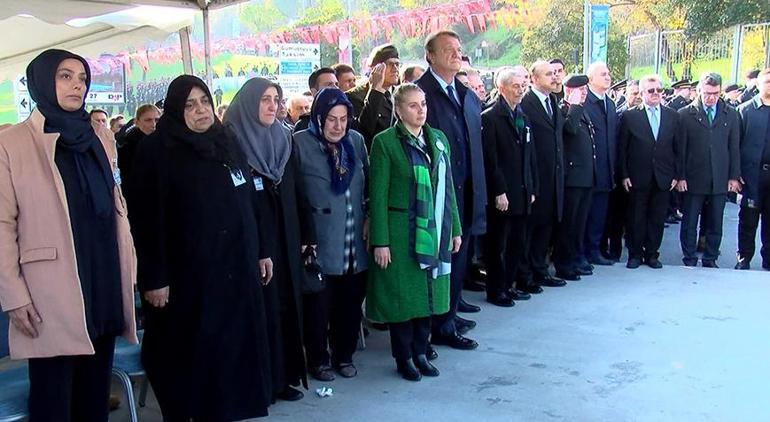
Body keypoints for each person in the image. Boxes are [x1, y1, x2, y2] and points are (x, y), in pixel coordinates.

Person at [0, 48, 137, 422]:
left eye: (82, 78)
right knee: (54, 399)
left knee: (94, 395)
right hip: (49, 291)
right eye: (65, 76)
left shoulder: (99, 137)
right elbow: (3, 226)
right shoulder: (13, 143)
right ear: (43, 82)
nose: (77, 85)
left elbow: (115, 204)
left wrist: (128, 263)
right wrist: (13, 295)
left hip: (102, 278)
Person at [131, 75, 272, 420]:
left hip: (234, 270)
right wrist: (155, 277)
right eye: (190, 105)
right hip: (187, 280)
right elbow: (146, 220)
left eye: (205, 101)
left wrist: (261, 250)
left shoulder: (226, 141)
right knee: (191, 360)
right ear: (175, 110)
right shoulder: (157, 151)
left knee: (231, 358)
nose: (200, 111)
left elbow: (249, 200)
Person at [224, 77, 311, 402]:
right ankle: (261, 383)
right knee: (261, 311)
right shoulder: (230, 142)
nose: (273, 106)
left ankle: (284, 378)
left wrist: (307, 234)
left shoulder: (283, 138)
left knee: (285, 307)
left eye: (276, 99)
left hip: (285, 238)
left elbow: (298, 187)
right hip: (253, 243)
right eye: (265, 99)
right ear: (249, 103)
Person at [367, 83, 462, 381]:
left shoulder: (438, 139)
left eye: (423, 104)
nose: (421, 110)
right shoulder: (385, 143)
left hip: (434, 231)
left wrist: (455, 229)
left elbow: (448, 189)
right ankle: (404, 358)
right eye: (413, 105)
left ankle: (421, 352)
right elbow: (378, 196)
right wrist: (380, 241)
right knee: (402, 300)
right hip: (400, 233)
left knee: (427, 297)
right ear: (398, 110)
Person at [416, 30, 486, 350]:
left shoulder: (467, 95)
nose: (457, 54)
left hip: (467, 192)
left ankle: (450, 314)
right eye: (448, 50)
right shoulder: (420, 94)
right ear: (430, 56)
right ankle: (437, 325)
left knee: (459, 260)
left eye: (459, 49)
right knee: (438, 263)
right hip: (436, 196)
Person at [294, 88, 369, 381]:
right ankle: (318, 360)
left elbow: (368, 183)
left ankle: (344, 356)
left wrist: (369, 216)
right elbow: (294, 193)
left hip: (354, 242)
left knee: (350, 305)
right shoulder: (300, 143)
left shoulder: (356, 141)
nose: (338, 126)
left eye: (343, 119)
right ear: (318, 117)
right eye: (331, 119)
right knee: (318, 307)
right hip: (320, 242)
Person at [481, 67, 538, 307]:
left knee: (517, 242)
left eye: (522, 86)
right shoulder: (491, 117)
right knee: (499, 244)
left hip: (522, 190)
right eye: (515, 86)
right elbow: (491, 159)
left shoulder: (523, 116)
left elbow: (530, 155)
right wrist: (499, 191)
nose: (520, 90)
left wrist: (532, 187)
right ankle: (497, 290)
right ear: (501, 88)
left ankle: (509, 285)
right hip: (504, 192)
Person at [677, 73, 741, 267]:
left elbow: (734, 147)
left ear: (720, 92)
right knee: (689, 222)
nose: (711, 98)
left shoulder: (731, 114)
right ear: (699, 91)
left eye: (715, 93)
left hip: (719, 177)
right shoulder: (685, 114)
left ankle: (710, 257)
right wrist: (680, 176)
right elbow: (680, 149)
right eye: (706, 93)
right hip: (693, 177)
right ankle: (689, 257)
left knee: (715, 221)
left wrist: (733, 177)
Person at [618, 75, 680, 269]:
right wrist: (624, 174)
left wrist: (676, 175)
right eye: (651, 91)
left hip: (663, 177)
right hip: (637, 176)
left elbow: (678, 148)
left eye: (659, 90)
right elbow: (622, 148)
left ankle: (652, 254)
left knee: (657, 218)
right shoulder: (630, 116)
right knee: (636, 218)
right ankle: (635, 254)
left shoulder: (672, 116)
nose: (655, 94)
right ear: (642, 93)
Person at [520, 60, 567, 289]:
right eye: (549, 74)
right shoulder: (526, 103)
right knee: (530, 230)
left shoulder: (552, 101)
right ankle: (525, 276)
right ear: (534, 78)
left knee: (546, 227)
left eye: (555, 73)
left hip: (554, 177)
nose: (555, 77)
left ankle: (540, 271)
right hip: (536, 178)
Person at [553, 74, 595, 281]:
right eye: (580, 90)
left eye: (585, 90)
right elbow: (570, 129)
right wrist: (575, 105)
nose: (584, 94)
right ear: (569, 91)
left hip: (585, 177)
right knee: (568, 225)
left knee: (579, 224)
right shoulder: (563, 109)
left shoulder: (581, 110)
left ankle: (575, 259)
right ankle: (564, 264)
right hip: (572, 178)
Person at [582, 62, 617, 268]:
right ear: (591, 79)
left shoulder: (610, 104)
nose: (608, 77)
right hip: (588, 171)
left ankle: (594, 250)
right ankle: (582, 252)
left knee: (599, 215)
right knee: (585, 216)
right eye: (603, 74)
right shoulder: (585, 102)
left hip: (606, 171)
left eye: (608, 73)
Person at [735, 68, 770, 270]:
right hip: (751, 176)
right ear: (758, 84)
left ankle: (768, 259)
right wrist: (736, 173)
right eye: (767, 82)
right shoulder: (745, 110)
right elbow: (735, 145)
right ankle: (744, 257)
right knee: (748, 220)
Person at [347, 44, 400, 149]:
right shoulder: (354, 96)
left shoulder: (401, 94)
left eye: (397, 64)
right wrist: (375, 91)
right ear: (375, 68)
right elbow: (364, 130)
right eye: (389, 64)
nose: (395, 69)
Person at [117, 103, 160, 204]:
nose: (153, 124)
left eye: (157, 120)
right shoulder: (127, 146)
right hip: (137, 201)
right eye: (148, 120)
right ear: (137, 122)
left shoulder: (164, 143)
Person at [293, 67, 339, 132]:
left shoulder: (349, 120)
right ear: (314, 92)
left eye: (336, 84)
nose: (336, 88)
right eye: (329, 84)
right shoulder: (303, 126)